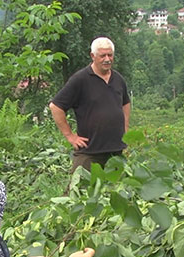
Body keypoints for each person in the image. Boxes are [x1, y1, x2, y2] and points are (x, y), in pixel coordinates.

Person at [49, 36, 131, 173]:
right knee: (79, 191)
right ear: (92, 56)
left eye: (110, 55)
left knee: (115, 191)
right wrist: (70, 136)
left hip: (116, 151)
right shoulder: (80, 79)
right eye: (102, 55)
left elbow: (125, 103)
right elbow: (56, 106)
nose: (107, 59)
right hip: (90, 152)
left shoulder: (118, 79)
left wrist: (125, 128)